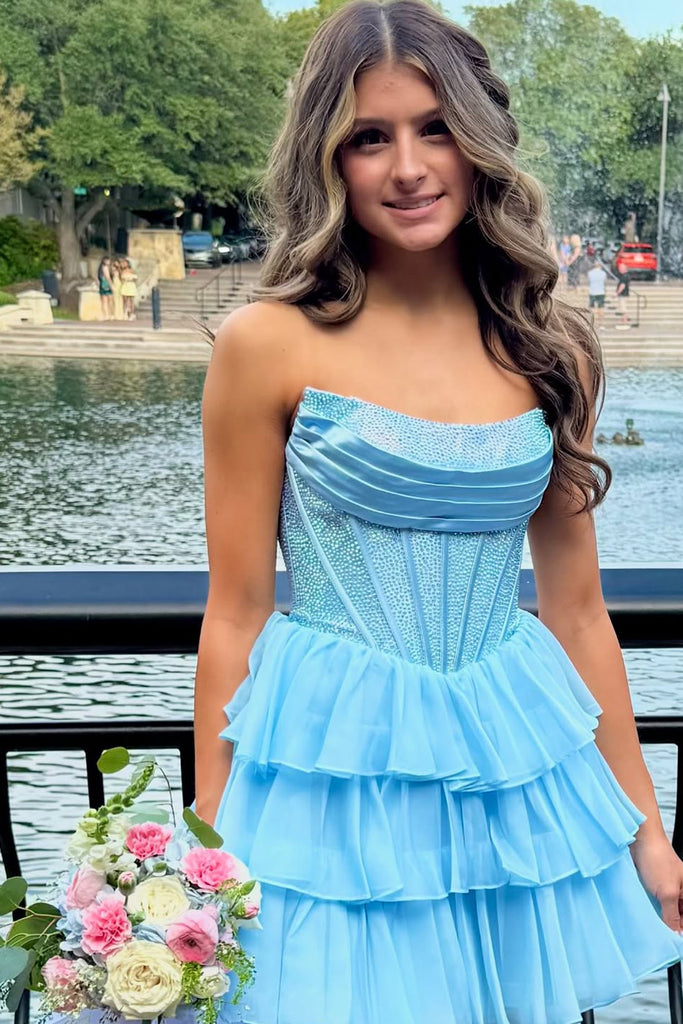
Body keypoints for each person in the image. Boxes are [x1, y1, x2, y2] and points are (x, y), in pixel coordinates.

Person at [195, 3, 683, 1022]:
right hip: (332, 776)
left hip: (504, 766)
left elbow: (577, 612)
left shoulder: (548, 346)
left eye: (435, 129)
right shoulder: (265, 344)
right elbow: (236, 613)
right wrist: (207, 846)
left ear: (479, 143)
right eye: (369, 137)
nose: (409, 168)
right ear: (327, 157)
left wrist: (646, 830)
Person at [587, 258, 607, 328]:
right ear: (600, 266)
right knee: (601, 308)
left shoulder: (590, 273)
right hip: (601, 292)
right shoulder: (603, 273)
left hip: (592, 292)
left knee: (592, 308)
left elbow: (589, 281)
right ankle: (601, 323)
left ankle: (592, 323)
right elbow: (604, 281)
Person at [615, 259, 631, 328]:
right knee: (623, 308)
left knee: (623, 308)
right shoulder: (626, 275)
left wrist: (617, 292)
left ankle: (625, 321)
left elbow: (622, 285)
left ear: (624, 269)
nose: (619, 270)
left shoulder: (624, 276)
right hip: (625, 294)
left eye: (620, 268)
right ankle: (624, 320)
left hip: (623, 295)